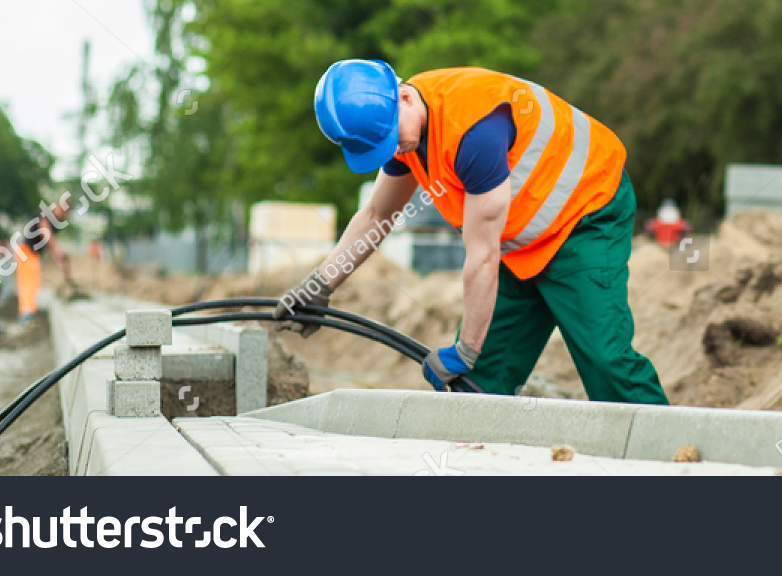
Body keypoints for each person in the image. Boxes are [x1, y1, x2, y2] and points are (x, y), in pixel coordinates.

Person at [275, 60, 668, 405]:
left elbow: (482, 256)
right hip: (518, 239)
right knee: (477, 384)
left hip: (585, 214)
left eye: (392, 138)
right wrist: (320, 285)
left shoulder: (474, 130)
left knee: (604, 359)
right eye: (383, 146)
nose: (394, 149)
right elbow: (378, 213)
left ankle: (672, 459)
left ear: (405, 96)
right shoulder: (403, 129)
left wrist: (466, 349)